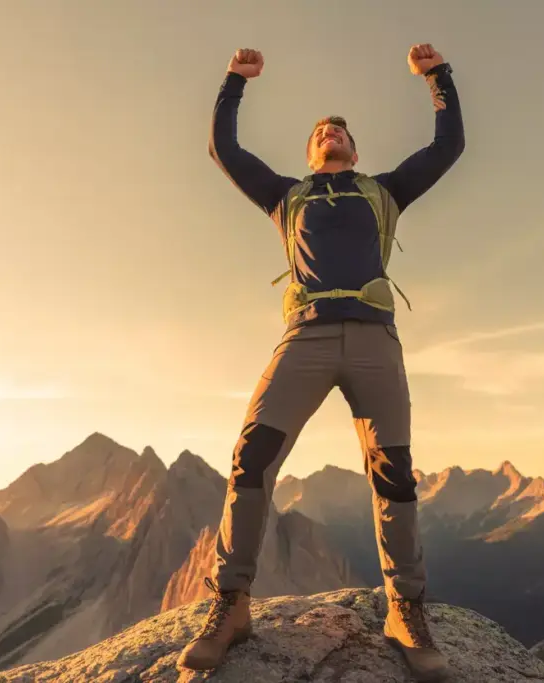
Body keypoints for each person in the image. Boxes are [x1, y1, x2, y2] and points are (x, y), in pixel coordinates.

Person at [177, 43, 465, 681]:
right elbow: (225, 150)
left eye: (339, 132)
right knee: (252, 457)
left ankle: (404, 608)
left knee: (394, 473)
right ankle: (231, 603)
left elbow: (448, 147)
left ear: (354, 152)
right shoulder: (286, 197)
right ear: (311, 154)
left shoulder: (384, 191)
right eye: (319, 133)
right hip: (303, 339)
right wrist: (233, 81)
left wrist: (437, 78)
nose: (329, 134)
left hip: (373, 341)